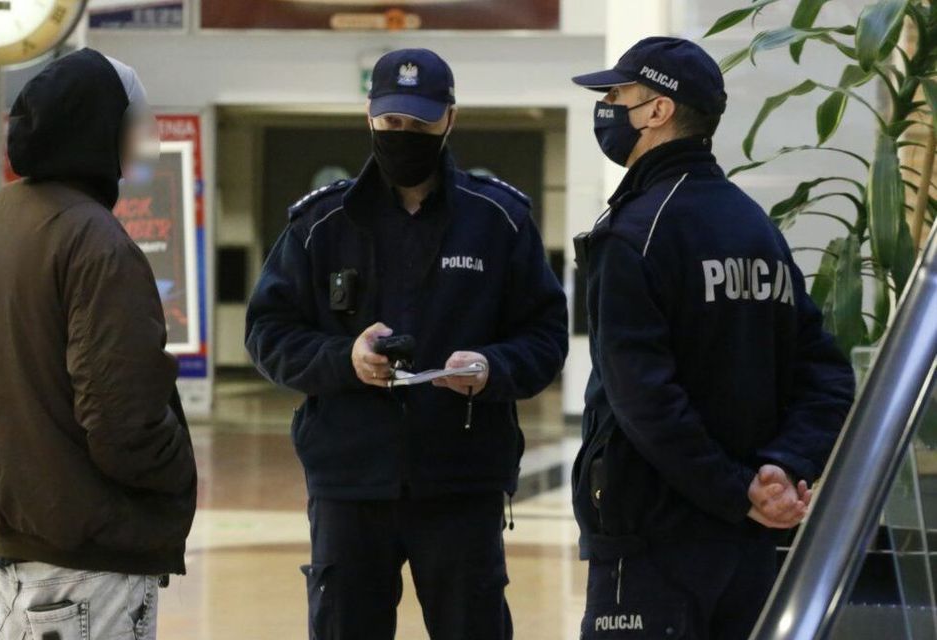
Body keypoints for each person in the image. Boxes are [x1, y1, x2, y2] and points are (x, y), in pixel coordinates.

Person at [246, 48, 568, 640]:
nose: (403, 134)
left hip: (463, 482)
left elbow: (546, 336)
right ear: (369, 115)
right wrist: (344, 359)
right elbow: (268, 332)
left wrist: (492, 368)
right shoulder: (321, 223)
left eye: (420, 123)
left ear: (450, 119)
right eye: (392, 121)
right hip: (350, 484)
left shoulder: (498, 220)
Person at [569, 37, 856, 639]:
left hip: (651, 540)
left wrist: (738, 491)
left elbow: (643, 399)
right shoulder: (755, 227)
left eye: (618, 94)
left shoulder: (633, 233)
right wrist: (782, 469)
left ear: (657, 110)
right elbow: (827, 374)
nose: (608, 107)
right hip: (746, 545)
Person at [0, 48, 196, 640]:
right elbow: (122, 412)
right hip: (91, 558)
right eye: (132, 125)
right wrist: (175, 472)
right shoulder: (97, 240)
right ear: (100, 129)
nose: (139, 144)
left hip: (19, 549)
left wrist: (21, 449)